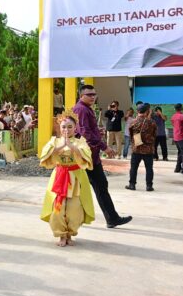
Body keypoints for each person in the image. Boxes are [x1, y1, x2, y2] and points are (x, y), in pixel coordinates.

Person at [73, 85, 132, 228]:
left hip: (90, 156)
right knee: (86, 187)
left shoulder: (86, 108)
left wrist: (97, 131)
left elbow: (87, 130)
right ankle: (73, 218)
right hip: (85, 156)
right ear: (81, 96)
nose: (93, 96)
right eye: (89, 94)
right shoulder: (81, 109)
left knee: (98, 186)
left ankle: (111, 218)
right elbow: (84, 133)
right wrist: (103, 146)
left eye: (94, 94)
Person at [40, 111, 94, 247]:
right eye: (64, 126)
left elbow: (87, 157)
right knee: (57, 208)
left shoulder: (80, 142)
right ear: (59, 127)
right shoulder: (54, 141)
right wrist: (60, 147)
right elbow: (45, 156)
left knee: (75, 208)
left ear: (75, 128)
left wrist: (72, 147)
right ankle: (61, 235)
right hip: (59, 177)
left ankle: (70, 233)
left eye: (70, 127)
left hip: (76, 178)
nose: (66, 130)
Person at [125, 103, 157, 192]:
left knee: (134, 168)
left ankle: (132, 184)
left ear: (137, 111)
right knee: (149, 168)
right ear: (147, 111)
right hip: (148, 150)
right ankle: (149, 186)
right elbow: (155, 135)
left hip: (136, 149)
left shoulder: (133, 122)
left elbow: (131, 135)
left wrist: (136, 142)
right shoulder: (152, 122)